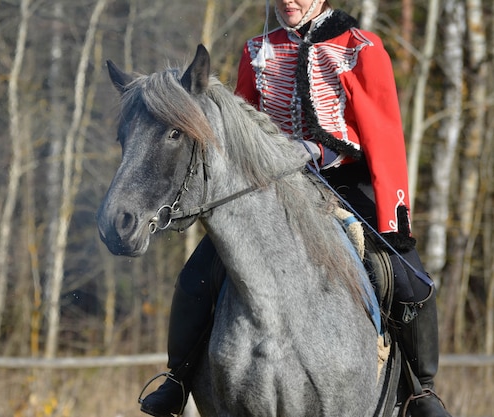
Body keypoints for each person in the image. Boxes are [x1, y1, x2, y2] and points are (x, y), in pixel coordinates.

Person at [139, 1, 452, 417]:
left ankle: (420, 389)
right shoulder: (257, 51)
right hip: (270, 189)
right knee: (197, 275)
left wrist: (326, 155)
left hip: (343, 182)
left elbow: (382, 131)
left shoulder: (361, 47)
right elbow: (234, 132)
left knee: (409, 281)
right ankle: (178, 379)